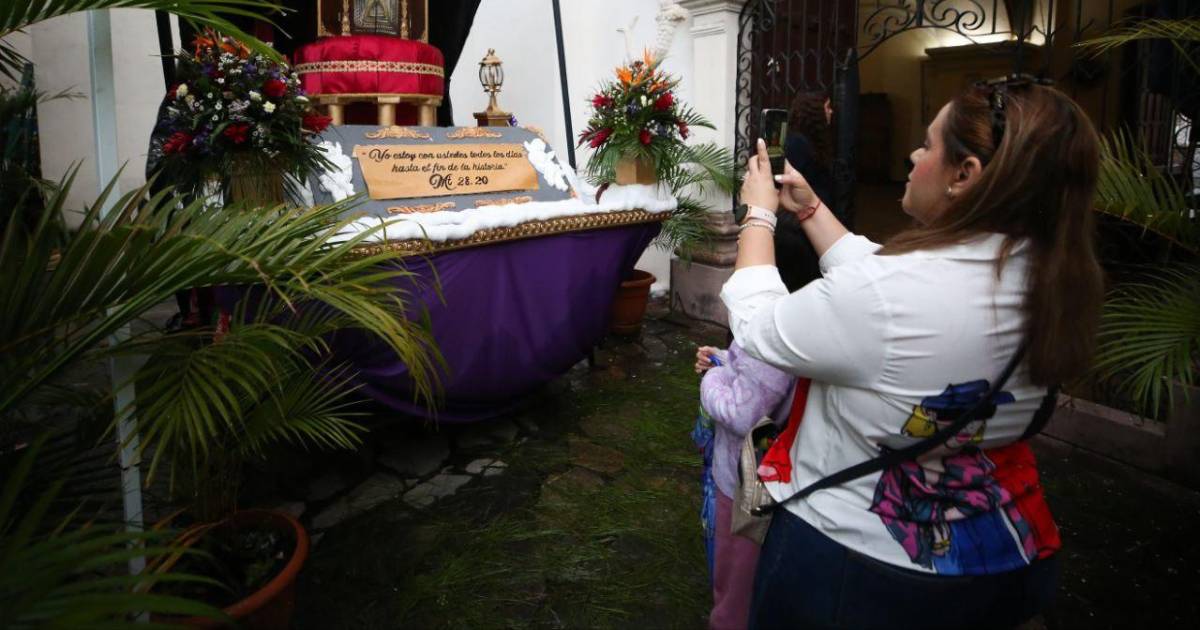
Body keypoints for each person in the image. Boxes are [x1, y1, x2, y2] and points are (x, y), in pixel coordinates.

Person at [723, 77, 1104, 628]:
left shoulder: (891, 296)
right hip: (998, 556)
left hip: (857, 566)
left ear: (964, 174)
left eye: (928, 145)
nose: (913, 155)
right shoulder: (1053, 279)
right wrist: (811, 211)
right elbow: (886, 278)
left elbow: (759, 327)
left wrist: (758, 214)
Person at [692, 343, 796, 630]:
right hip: (754, 476)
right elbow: (755, 376)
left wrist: (712, 378)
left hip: (745, 481)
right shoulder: (781, 334)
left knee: (735, 584)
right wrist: (722, 358)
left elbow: (741, 413)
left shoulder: (771, 336)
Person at [775, 91, 837, 292]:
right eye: (827, 107)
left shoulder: (810, 141)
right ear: (814, 112)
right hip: (798, 228)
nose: (831, 111)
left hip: (811, 220)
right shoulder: (797, 143)